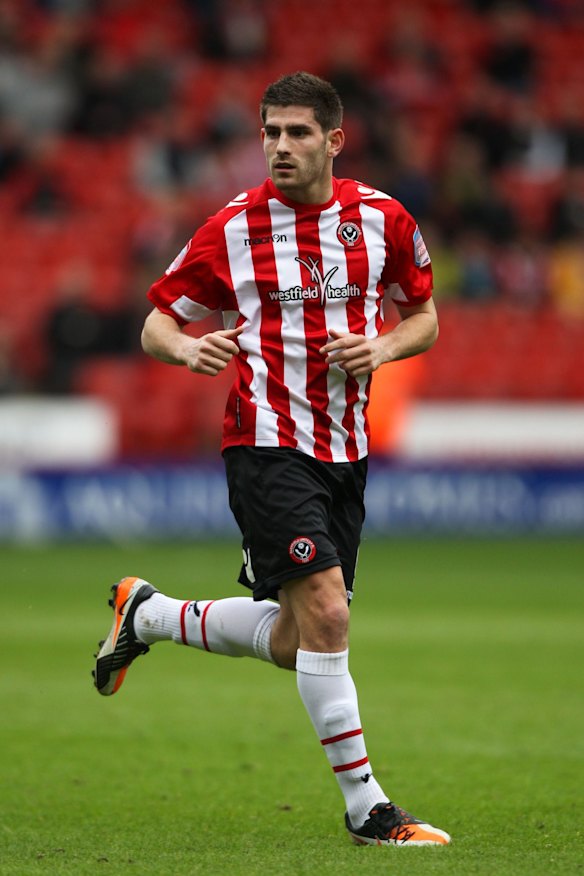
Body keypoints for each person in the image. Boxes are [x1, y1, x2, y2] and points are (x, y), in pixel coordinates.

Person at [93, 71, 450, 848]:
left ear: (334, 139)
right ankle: (369, 811)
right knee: (329, 613)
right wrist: (188, 348)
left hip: (345, 450)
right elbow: (158, 322)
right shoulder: (233, 228)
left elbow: (422, 316)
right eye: (270, 132)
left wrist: (382, 345)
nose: (280, 147)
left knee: (299, 640)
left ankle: (148, 614)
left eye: (296, 133)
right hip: (265, 440)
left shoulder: (382, 220)